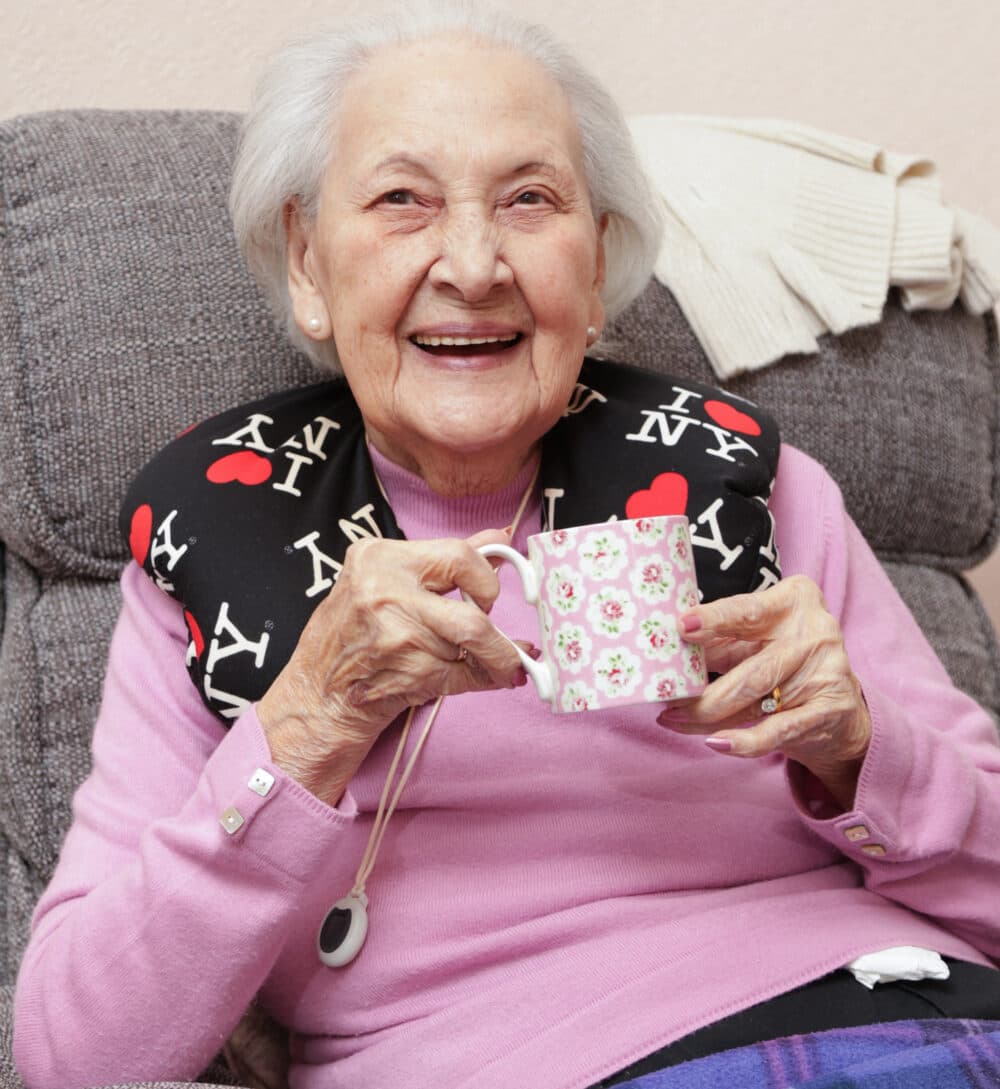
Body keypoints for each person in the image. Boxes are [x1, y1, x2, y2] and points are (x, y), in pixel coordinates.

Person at [13, 4, 1000, 1087]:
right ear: (306, 261)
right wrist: (309, 722)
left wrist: (868, 754)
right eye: (402, 201)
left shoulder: (744, 484)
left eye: (530, 200)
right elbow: (72, 1059)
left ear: (595, 263)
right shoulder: (213, 535)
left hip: (910, 1015)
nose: (474, 265)